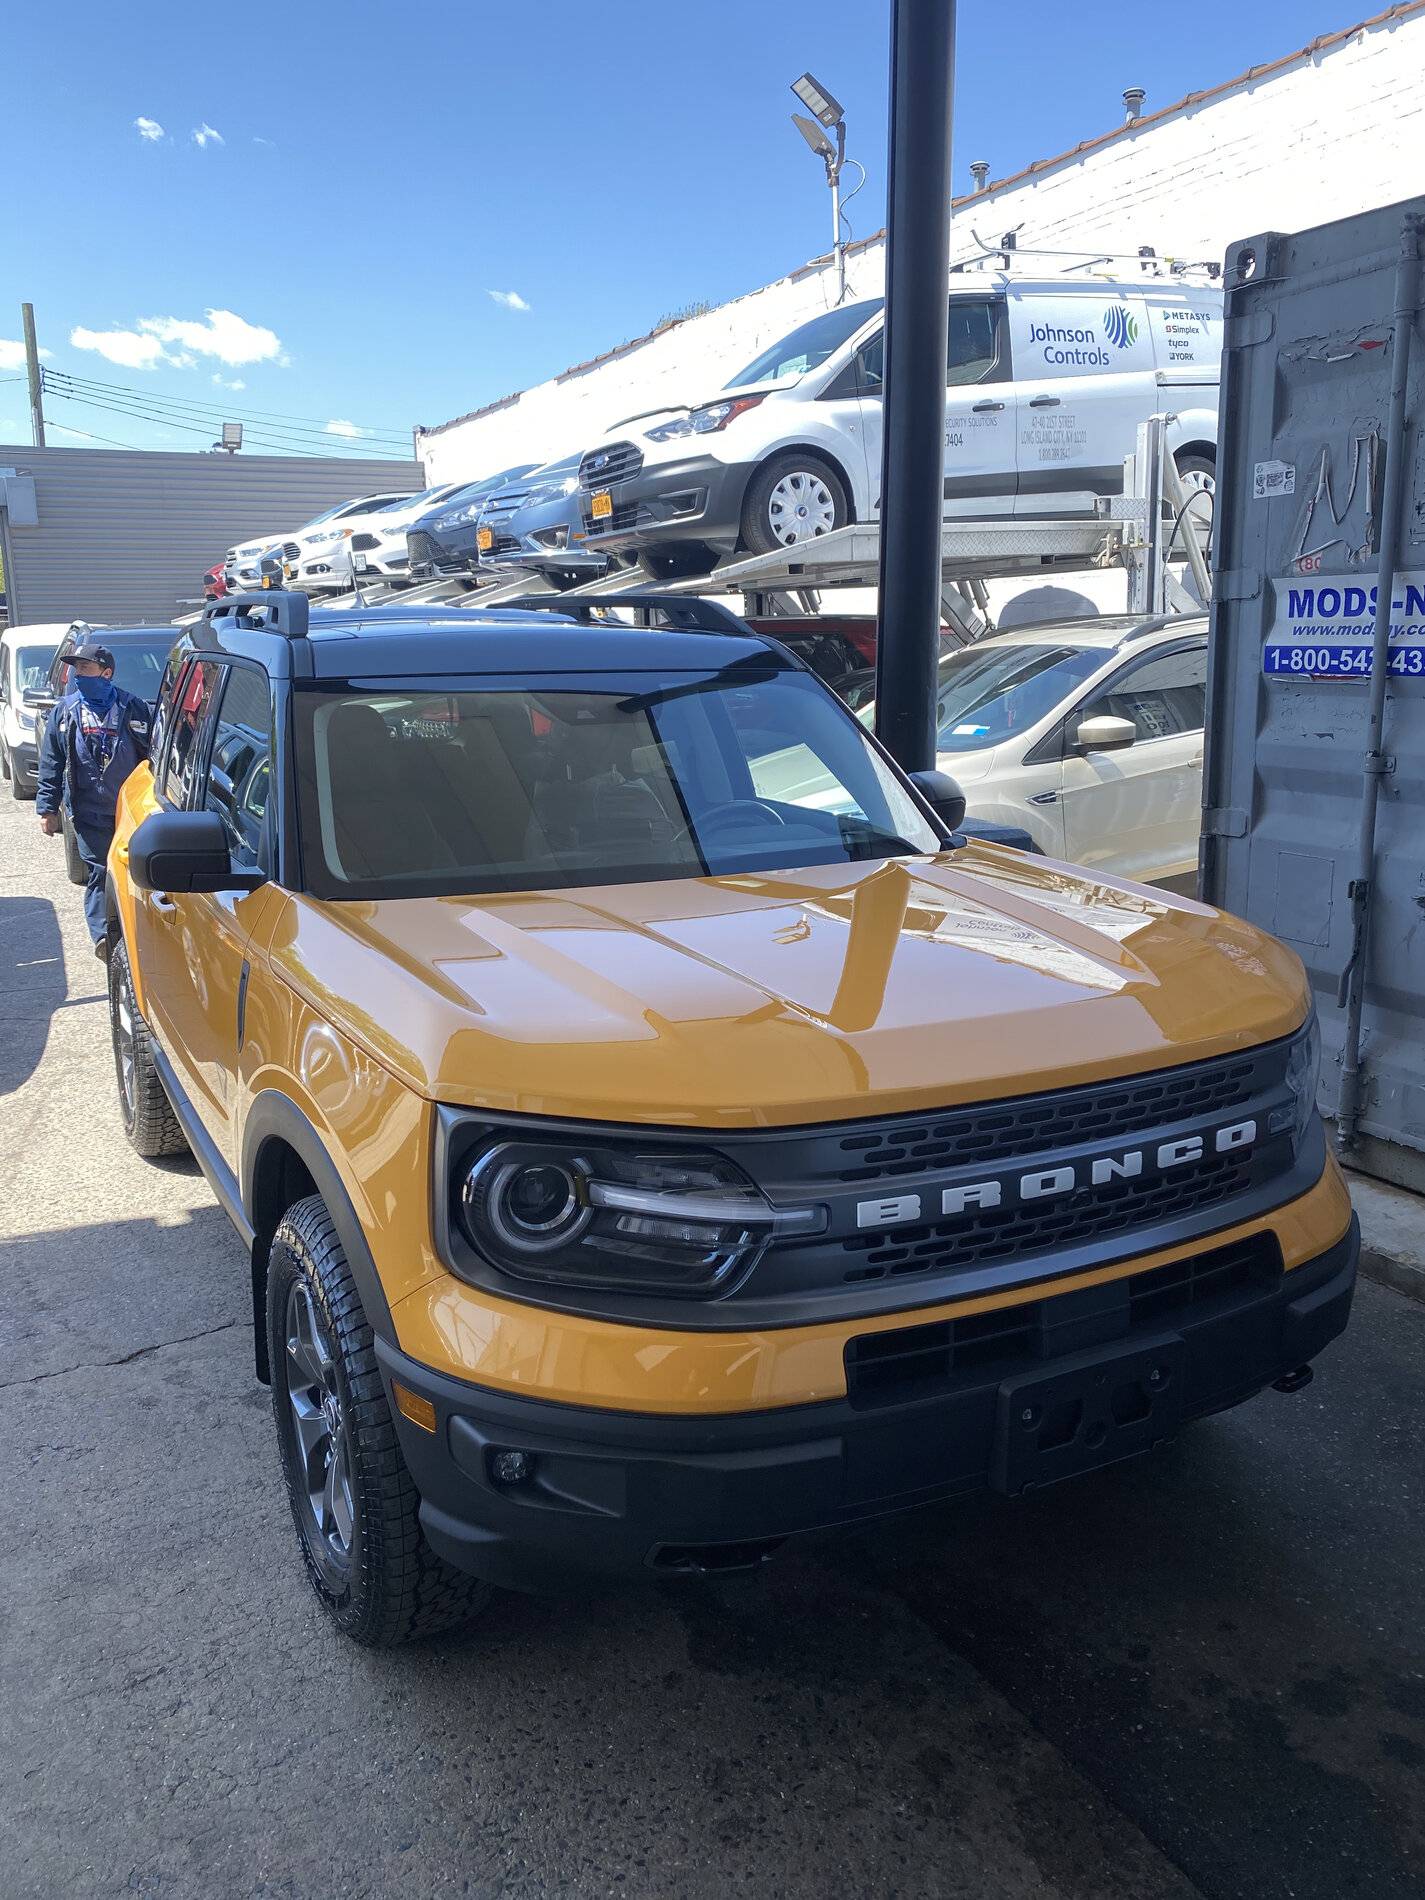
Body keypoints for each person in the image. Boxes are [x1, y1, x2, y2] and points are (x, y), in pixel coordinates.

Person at [36, 640, 151, 959]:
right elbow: (52, 762)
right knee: (100, 872)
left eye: (85, 668)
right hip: (89, 814)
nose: (77, 675)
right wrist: (47, 807)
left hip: (131, 813)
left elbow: (151, 754)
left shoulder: (133, 707)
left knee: (134, 872)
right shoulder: (66, 711)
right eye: (76, 669)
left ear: (106, 672)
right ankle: (104, 936)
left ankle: (137, 930)